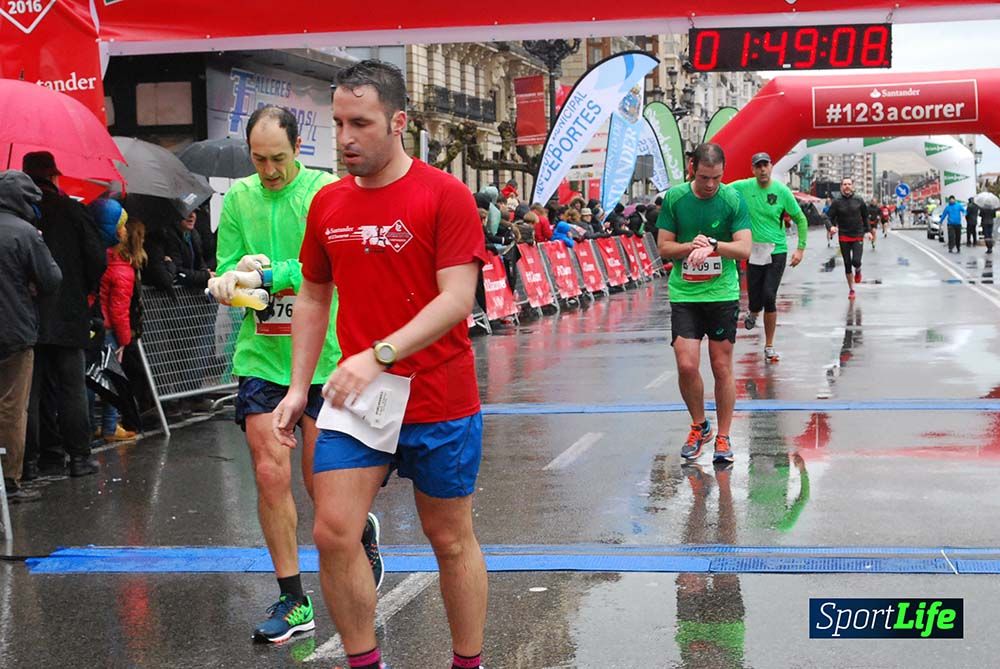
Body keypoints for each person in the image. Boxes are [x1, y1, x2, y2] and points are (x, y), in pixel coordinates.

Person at [273, 59, 488, 669]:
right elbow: (313, 295)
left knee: (449, 539)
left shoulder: (445, 194)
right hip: (359, 398)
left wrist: (379, 353)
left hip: (438, 396)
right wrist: (297, 387)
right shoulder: (328, 203)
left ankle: (467, 663)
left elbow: (457, 298)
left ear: (398, 122)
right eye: (339, 122)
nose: (345, 138)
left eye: (360, 123)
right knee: (333, 531)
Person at [206, 105, 382, 644]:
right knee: (268, 473)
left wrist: (272, 274)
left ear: (298, 148)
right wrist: (229, 283)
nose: (269, 171)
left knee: (320, 485)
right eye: (259, 159)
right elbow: (227, 268)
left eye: (278, 158)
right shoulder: (239, 198)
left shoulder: (325, 193)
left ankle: (359, 530)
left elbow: (328, 266)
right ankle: (293, 599)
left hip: (325, 357)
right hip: (262, 356)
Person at [656, 143, 752, 464]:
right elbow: (664, 247)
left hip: (722, 293)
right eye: (704, 178)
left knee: (721, 366)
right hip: (685, 294)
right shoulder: (675, 198)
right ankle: (700, 425)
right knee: (686, 365)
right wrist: (689, 247)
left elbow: (744, 249)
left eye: (716, 178)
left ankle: (723, 436)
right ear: (691, 170)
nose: (710, 184)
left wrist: (713, 245)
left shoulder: (732, 199)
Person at [22, 151, 106, 479]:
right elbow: (96, 259)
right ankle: (80, 458)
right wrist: (83, 288)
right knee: (72, 388)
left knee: (31, 392)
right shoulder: (72, 210)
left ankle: (32, 462)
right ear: (53, 175)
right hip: (69, 311)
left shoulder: (18, 216)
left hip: (27, 314)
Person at [0, 170, 62, 502]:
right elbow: (51, 278)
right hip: (14, 330)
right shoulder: (26, 234)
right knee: (12, 407)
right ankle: (9, 481)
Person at [732, 152, 808, 364]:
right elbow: (720, 190)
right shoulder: (744, 187)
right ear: (753, 170)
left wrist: (800, 249)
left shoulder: (782, 191)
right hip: (755, 251)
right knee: (755, 299)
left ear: (771, 167)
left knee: (769, 296)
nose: (763, 169)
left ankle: (769, 346)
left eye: (766, 165)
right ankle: (753, 312)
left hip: (777, 250)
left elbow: (800, 219)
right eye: (758, 166)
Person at [90, 198, 139, 442]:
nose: (125, 230)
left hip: (93, 327)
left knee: (91, 380)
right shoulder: (122, 269)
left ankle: (90, 426)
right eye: (122, 226)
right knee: (112, 380)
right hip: (110, 332)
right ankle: (110, 427)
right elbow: (119, 309)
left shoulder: (97, 258)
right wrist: (125, 339)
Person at [826, 178, 869, 299]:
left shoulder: (859, 200)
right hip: (844, 235)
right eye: (844, 184)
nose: (847, 186)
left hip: (857, 234)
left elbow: (865, 216)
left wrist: (868, 231)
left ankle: (858, 270)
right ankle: (851, 289)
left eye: (849, 184)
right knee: (847, 264)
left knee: (856, 261)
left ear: (852, 186)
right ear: (841, 187)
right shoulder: (837, 202)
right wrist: (831, 227)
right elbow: (827, 217)